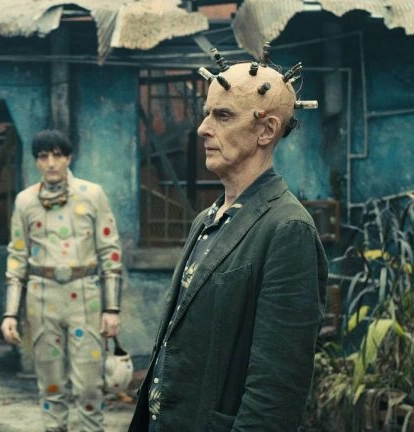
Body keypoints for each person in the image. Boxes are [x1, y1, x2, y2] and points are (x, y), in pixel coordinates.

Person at [128, 59, 327, 431]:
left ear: (266, 130)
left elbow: (275, 393)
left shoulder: (287, 229)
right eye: (206, 113)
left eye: (222, 115)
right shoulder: (207, 220)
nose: (203, 128)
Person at [0, 130, 123, 432]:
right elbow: (17, 256)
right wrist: (10, 314)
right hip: (42, 297)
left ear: (69, 158)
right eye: (43, 156)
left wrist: (112, 309)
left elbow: (110, 252)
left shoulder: (92, 194)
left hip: (85, 294)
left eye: (57, 155)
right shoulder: (25, 201)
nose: (51, 163)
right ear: (36, 161)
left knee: (89, 386)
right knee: (50, 385)